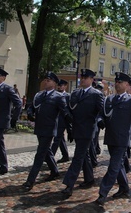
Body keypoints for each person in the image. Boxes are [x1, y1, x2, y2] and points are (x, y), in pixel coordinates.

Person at [94, 72, 131, 206]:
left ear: (127, 85)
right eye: (116, 82)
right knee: (119, 165)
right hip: (110, 138)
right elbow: (101, 114)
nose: (117, 84)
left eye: (120, 82)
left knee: (113, 166)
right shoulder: (109, 99)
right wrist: (100, 120)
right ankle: (124, 188)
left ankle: (102, 193)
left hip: (122, 140)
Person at [22, 72, 73, 190]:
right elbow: (32, 107)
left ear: (55, 83)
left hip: (49, 129)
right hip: (39, 127)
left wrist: (70, 126)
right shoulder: (39, 95)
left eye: (49, 80)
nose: (46, 82)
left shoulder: (58, 97)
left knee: (40, 154)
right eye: (45, 80)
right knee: (47, 151)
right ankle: (54, 171)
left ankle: (30, 180)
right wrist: (30, 113)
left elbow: (65, 112)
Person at [61, 69, 104, 197]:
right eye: (82, 77)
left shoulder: (96, 94)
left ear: (92, 80)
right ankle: (89, 179)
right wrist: (67, 115)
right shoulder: (75, 93)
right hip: (76, 128)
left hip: (87, 130)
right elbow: (68, 107)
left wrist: (101, 120)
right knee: (84, 154)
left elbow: (101, 110)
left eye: (85, 77)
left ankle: (69, 184)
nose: (83, 79)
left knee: (78, 156)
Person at [50, 79, 71, 164]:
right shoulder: (54, 95)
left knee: (56, 139)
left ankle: (50, 156)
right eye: (58, 85)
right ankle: (65, 156)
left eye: (61, 85)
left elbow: (70, 108)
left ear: (65, 86)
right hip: (56, 120)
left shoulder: (68, 96)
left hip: (63, 120)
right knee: (60, 139)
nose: (59, 87)